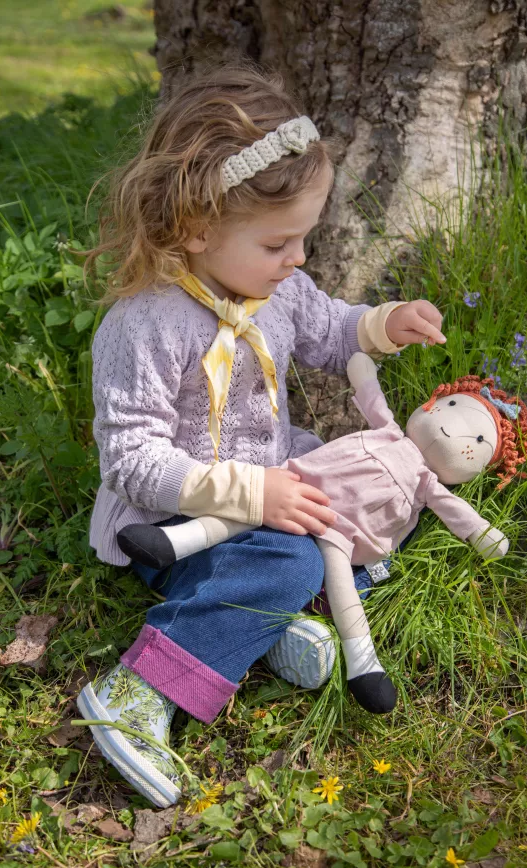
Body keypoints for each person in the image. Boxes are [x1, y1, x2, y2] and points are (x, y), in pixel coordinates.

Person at [78, 64, 445, 808]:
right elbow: (131, 461)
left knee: (375, 497)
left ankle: (258, 621)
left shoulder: (277, 291)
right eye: (280, 242)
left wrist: (384, 323)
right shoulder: (144, 325)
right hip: (174, 523)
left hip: (270, 485)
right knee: (291, 558)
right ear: (195, 228)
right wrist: (253, 494)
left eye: (304, 239)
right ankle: (138, 689)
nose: (298, 259)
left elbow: (330, 328)